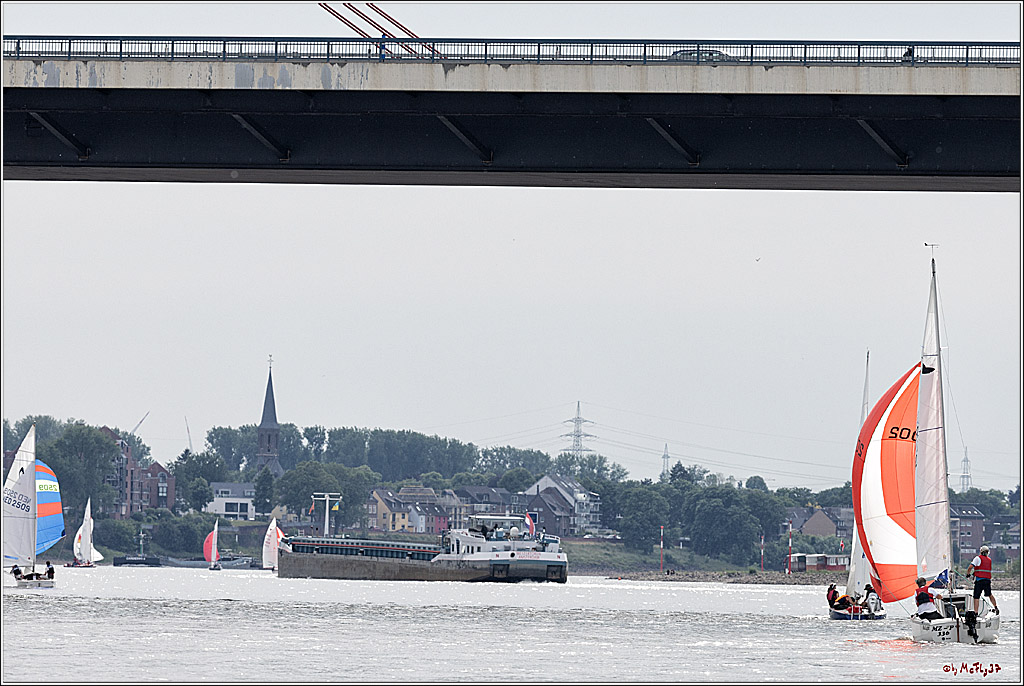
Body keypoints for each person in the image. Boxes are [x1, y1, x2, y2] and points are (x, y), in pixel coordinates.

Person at [967, 545, 1000, 615]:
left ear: (981, 551)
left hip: (979, 581)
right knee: (989, 594)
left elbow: (970, 567)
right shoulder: (989, 560)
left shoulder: (977, 558)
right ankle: (996, 607)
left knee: (976, 596)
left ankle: (976, 612)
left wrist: (968, 574)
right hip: (987, 580)